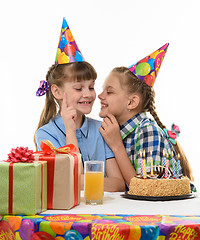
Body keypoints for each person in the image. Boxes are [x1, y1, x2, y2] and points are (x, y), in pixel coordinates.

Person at [34, 18, 125, 192]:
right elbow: (66, 184)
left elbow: (119, 184)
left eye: (91, 86)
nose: (88, 94)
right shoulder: (46, 135)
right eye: (78, 88)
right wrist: (70, 132)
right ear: (57, 92)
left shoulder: (101, 129)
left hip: (101, 212)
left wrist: (81, 180)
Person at [98, 43, 193, 186]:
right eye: (102, 90)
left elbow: (147, 188)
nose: (100, 96)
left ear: (132, 102)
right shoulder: (113, 131)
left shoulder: (147, 130)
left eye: (109, 92)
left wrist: (117, 146)